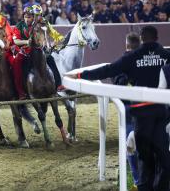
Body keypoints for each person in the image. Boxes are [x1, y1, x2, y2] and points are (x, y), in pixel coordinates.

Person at [69, 25, 170, 191]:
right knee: (163, 157)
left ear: (142, 39)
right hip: (160, 112)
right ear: (157, 38)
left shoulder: (133, 56)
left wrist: (80, 75)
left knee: (144, 159)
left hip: (141, 114)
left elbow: (108, 70)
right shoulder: (166, 55)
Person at [112, 32, 141, 190]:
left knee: (130, 145)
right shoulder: (148, 60)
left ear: (126, 45)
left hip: (128, 109)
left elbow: (115, 81)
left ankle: (137, 180)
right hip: (149, 106)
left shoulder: (120, 62)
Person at [31, 3, 65, 91]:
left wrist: (54, 43)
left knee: (51, 61)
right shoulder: (28, 24)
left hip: (44, 51)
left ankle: (58, 85)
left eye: (39, 15)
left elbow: (56, 35)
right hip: (31, 52)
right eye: (35, 15)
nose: (37, 17)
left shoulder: (45, 23)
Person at [11, 6, 35, 100]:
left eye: (29, 17)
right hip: (23, 51)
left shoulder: (37, 25)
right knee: (15, 63)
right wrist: (26, 42)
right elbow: (16, 41)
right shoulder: (19, 26)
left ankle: (55, 86)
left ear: (33, 17)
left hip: (35, 50)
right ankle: (21, 93)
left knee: (50, 59)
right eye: (25, 16)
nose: (27, 19)